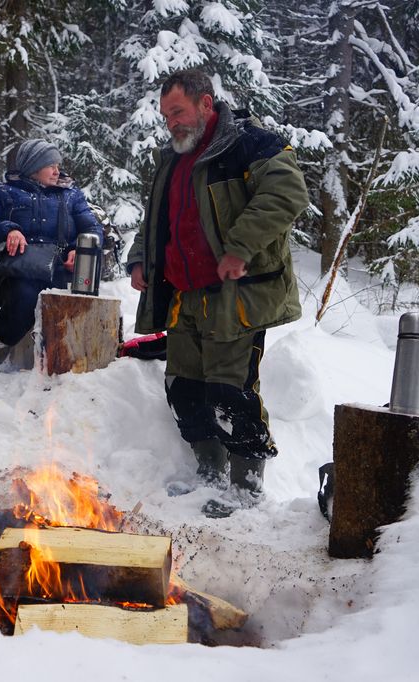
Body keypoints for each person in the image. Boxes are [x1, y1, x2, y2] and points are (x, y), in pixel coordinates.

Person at [126, 69, 309, 516]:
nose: (171, 122)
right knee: (185, 389)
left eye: (178, 112)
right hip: (183, 296)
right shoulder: (172, 158)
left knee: (232, 393)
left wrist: (240, 247)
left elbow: (287, 193)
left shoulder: (248, 144)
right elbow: (158, 220)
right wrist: (139, 259)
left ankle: (245, 489)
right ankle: (208, 474)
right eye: (166, 114)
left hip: (234, 295)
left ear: (206, 104)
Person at [0, 139, 102, 372]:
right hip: (13, 274)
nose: (57, 170)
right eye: (50, 164)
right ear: (32, 167)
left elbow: (92, 229)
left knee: (73, 302)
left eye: (58, 164)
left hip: (59, 274)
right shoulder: (3, 192)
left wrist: (77, 249)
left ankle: (69, 371)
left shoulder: (71, 195)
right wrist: (7, 229)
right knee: (26, 294)